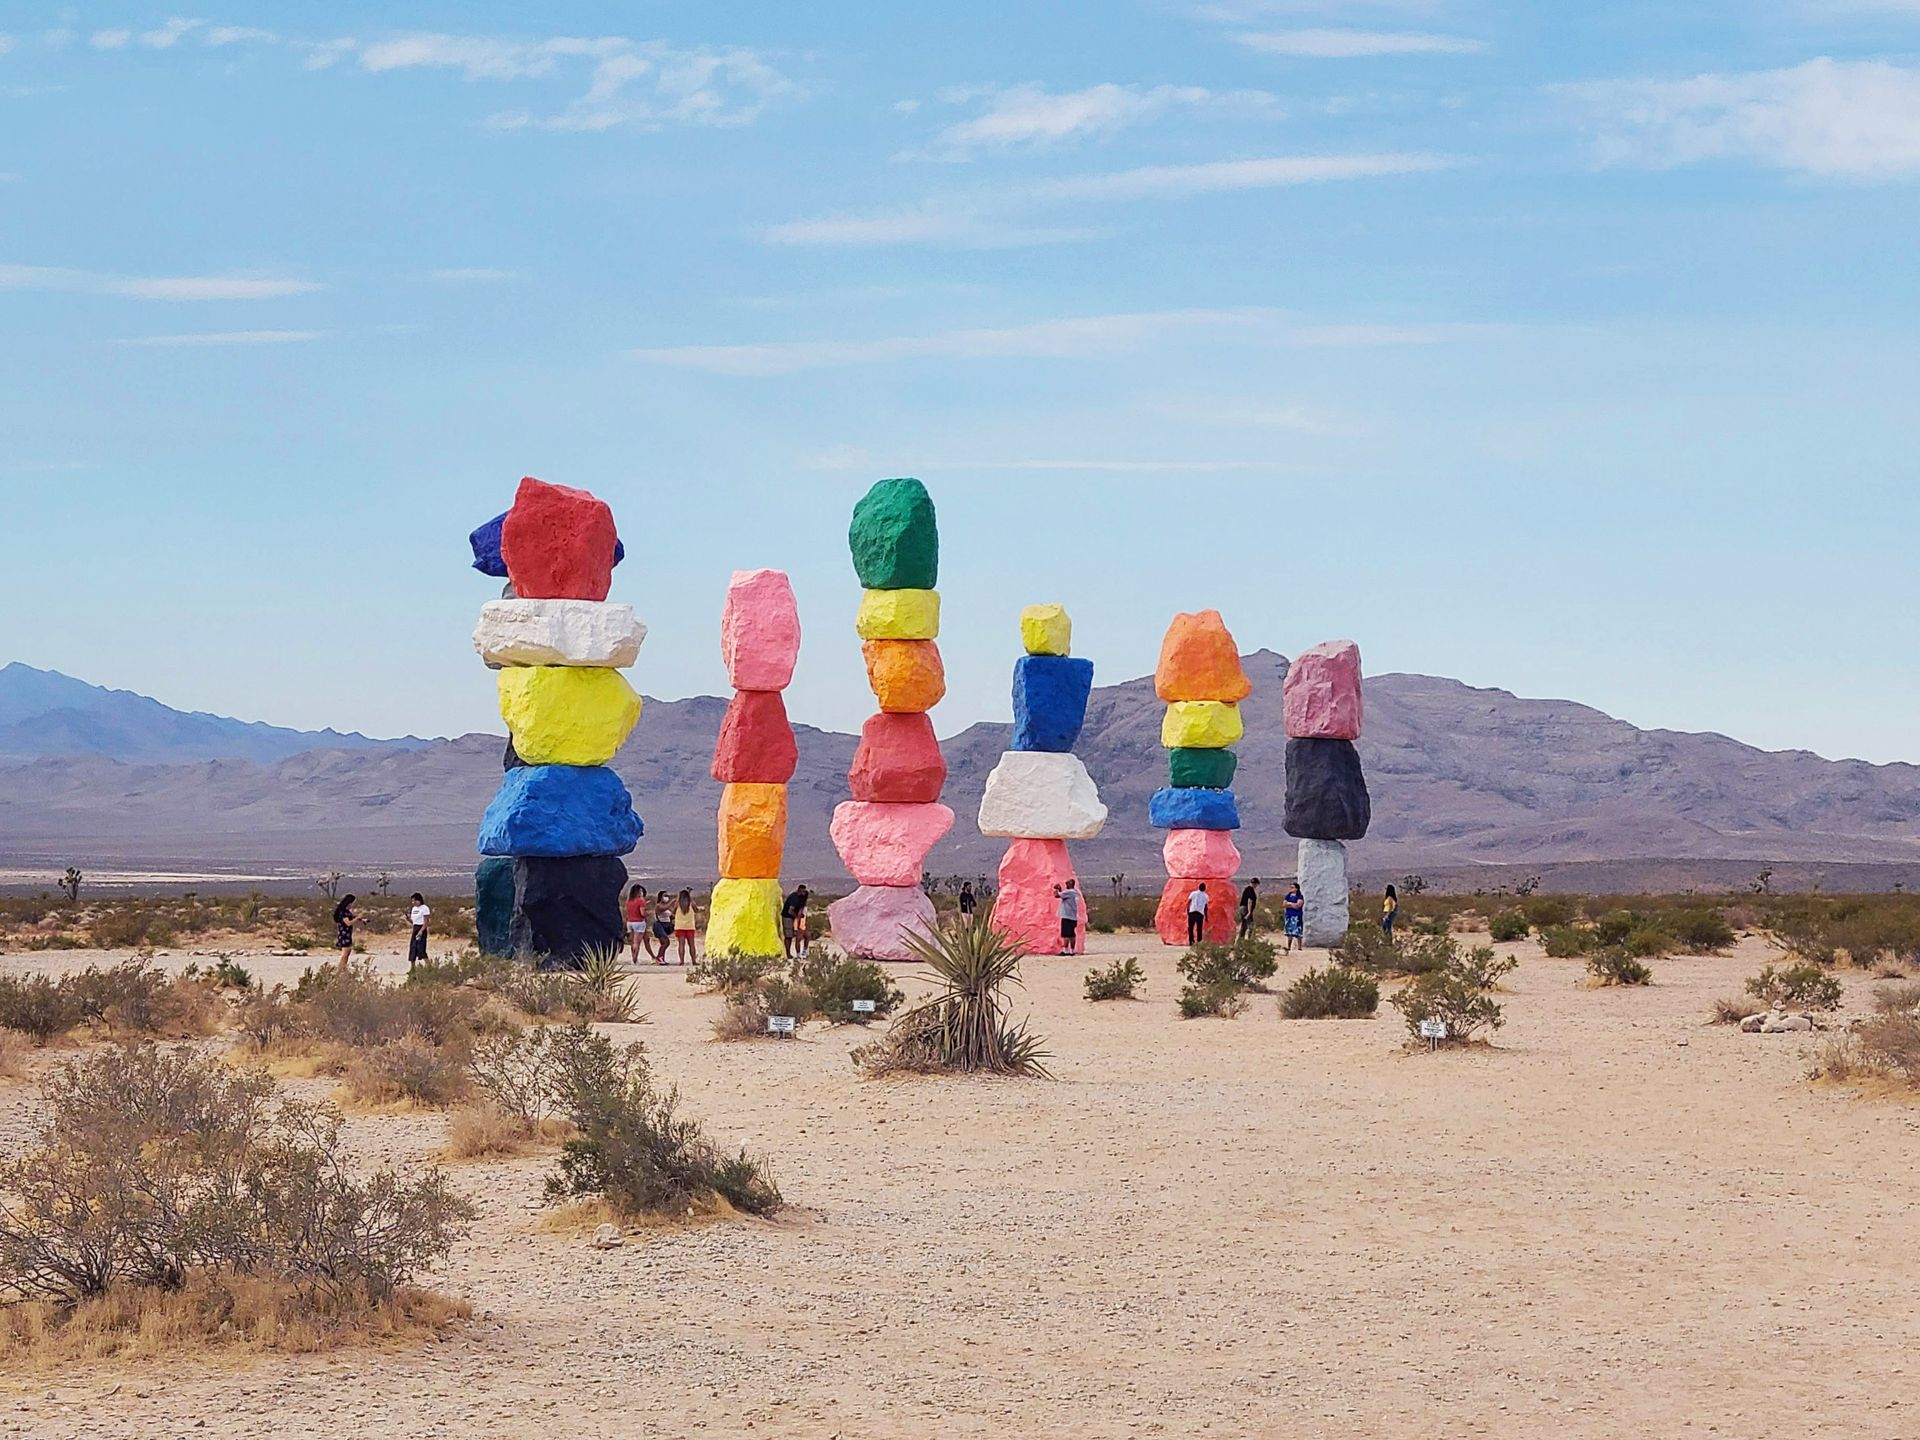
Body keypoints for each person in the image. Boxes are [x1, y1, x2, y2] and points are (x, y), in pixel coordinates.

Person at [782, 884, 811, 959]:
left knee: (805, 935)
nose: (803, 893)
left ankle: (803, 951)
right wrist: (797, 916)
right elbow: (790, 911)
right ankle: (788, 954)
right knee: (789, 936)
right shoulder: (794, 898)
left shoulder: (801, 898)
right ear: (799, 890)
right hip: (788, 917)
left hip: (795, 918)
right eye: (802, 892)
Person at [673, 887, 699, 965]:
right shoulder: (691, 903)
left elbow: (673, 911)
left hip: (679, 926)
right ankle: (693, 961)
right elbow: (696, 910)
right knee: (692, 944)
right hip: (690, 926)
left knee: (681, 944)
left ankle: (682, 961)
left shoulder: (677, 904)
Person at [1054, 879, 1081, 956]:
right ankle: (1072, 951)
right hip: (1073, 917)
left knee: (1066, 934)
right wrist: (1060, 890)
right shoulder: (1075, 892)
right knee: (1072, 934)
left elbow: (1057, 895)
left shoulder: (1069, 892)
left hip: (1067, 916)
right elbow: (1063, 895)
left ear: (1070, 884)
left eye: (1067, 883)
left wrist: (1056, 889)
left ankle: (1066, 951)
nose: (1066, 885)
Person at [625, 884, 650, 964]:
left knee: (632, 942)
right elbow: (642, 913)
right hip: (639, 922)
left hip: (630, 922)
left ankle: (633, 958)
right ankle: (635, 959)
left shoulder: (629, 901)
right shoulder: (640, 900)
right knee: (637, 942)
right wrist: (647, 913)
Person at [332, 894, 357, 970]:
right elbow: (348, 923)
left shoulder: (347, 912)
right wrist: (357, 919)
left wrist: (360, 919)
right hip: (344, 934)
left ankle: (343, 967)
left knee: (348, 951)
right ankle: (341, 968)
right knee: (345, 953)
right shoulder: (343, 912)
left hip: (348, 934)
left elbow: (352, 917)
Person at [406, 892, 431, 968]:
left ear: (419, 900)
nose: (413, 902)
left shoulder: (425, 908)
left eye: (414, 900)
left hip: (422, 929)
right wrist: (408, 919)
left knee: (421, 948)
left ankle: (428, 965)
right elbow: (413, 921)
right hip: (415, 928)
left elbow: (426, 921)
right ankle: (412, 968)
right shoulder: (414, 909)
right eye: (412, 901)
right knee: (413, 948)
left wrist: (421, 931)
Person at [652, 889, 675, 965]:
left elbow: (671, 915)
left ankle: (662, 958)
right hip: (659, 925)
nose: (666, 897)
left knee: (663, 943)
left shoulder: (667, 907)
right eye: (664, 896)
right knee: (666, 942)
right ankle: (658, 957)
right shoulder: (658, 906)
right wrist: (671, 903)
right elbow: (661, 910)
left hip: (665, 925)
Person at [1282, 882, 1305, 953]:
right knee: (1289, 931)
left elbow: (1298, 905)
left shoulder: (1300, 896)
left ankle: (1299, 947)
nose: (1291, 889)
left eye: (1293, 887)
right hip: (1289, 915)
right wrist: (1292, 905)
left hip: (1297, 915)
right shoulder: (1288, 896)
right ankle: (1289, 946)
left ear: (1296, 888)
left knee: (1298, 931)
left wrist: (1290, 904)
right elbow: (1284, 904)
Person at [1186, 882, 1210, 946]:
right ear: (1204, 888)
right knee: (1199, 928)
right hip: (1200, 913)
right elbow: (1205, 907)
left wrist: (1188, 910)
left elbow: (1188, 902)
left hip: (1192, 912)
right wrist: (1206, 916)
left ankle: (1191, 940)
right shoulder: (1206, 896)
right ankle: (1199, 941)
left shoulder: (1193, 893)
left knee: (1190, 927)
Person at [1238, 878, 1261, 942]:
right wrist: (1249, 912)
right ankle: (1249, 940)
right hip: (1246, 909)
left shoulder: (1247, 889)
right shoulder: (1250, 890)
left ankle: (1240, 940)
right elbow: (1249, 900)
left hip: (1242, 908)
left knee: (1244, 925)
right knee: (1251, 925)